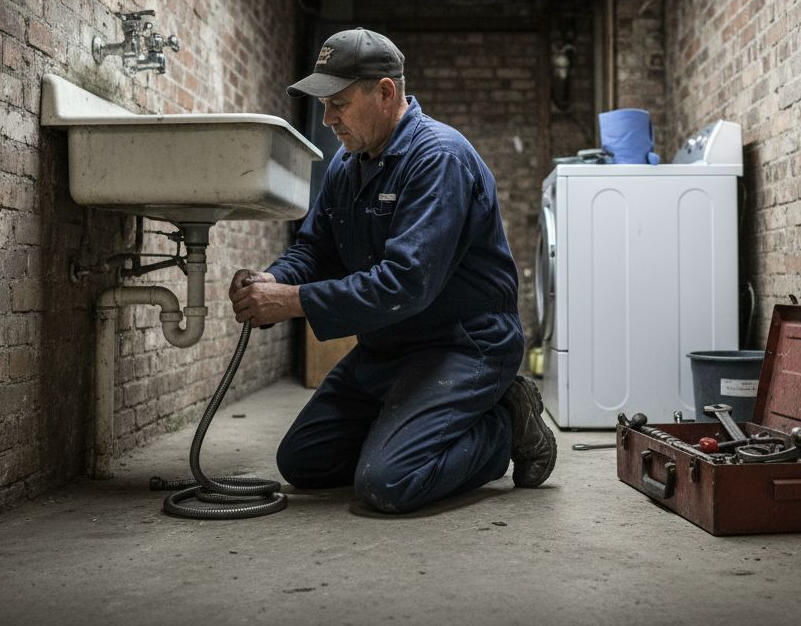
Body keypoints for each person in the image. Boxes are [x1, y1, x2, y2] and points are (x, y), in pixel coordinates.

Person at [228, 27, 556, 514]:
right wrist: (275, 280)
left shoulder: (437, 158)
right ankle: (412, 425)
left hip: (463, 346)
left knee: (389, 482)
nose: (328, 117)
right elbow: (316, 249)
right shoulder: (349, 163)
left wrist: (295, 302)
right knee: (303, 462)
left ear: (384, 92)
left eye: (337, 102)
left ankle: (506, 424)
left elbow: (406, 283)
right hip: (390, 346)